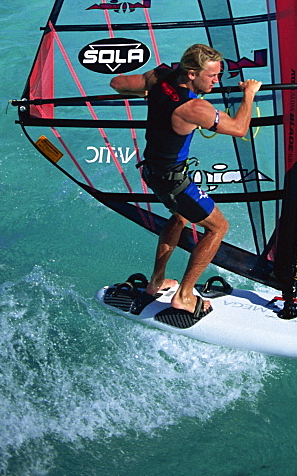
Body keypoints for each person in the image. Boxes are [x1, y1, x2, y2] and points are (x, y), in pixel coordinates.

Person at [110, 43, 262, 324]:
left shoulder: (158, 78)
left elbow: (117, 82)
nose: (217, 81)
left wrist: (149, 91)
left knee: (179, 216)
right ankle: (185, 295)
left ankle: (156, 282)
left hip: (153, 172)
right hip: (175, 180)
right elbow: (240, 128)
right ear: (192, 74)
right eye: (212, 76)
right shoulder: (194, 107)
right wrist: (248, 95)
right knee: (218, 227)